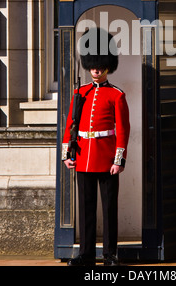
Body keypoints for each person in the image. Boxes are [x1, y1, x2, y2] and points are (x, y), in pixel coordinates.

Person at [61, 28, 130, 267]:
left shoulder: (116, 95)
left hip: (106, 157)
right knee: (86, 208)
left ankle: (110, 255)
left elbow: (122, 130)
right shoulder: (80, 93)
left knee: (109, 208)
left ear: (107, 66)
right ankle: (87, 254)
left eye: (99, 66)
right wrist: (66, 154)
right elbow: (71, 124)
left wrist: (118, 159)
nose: (96, 70)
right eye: (92, 66)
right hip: (83, 157)